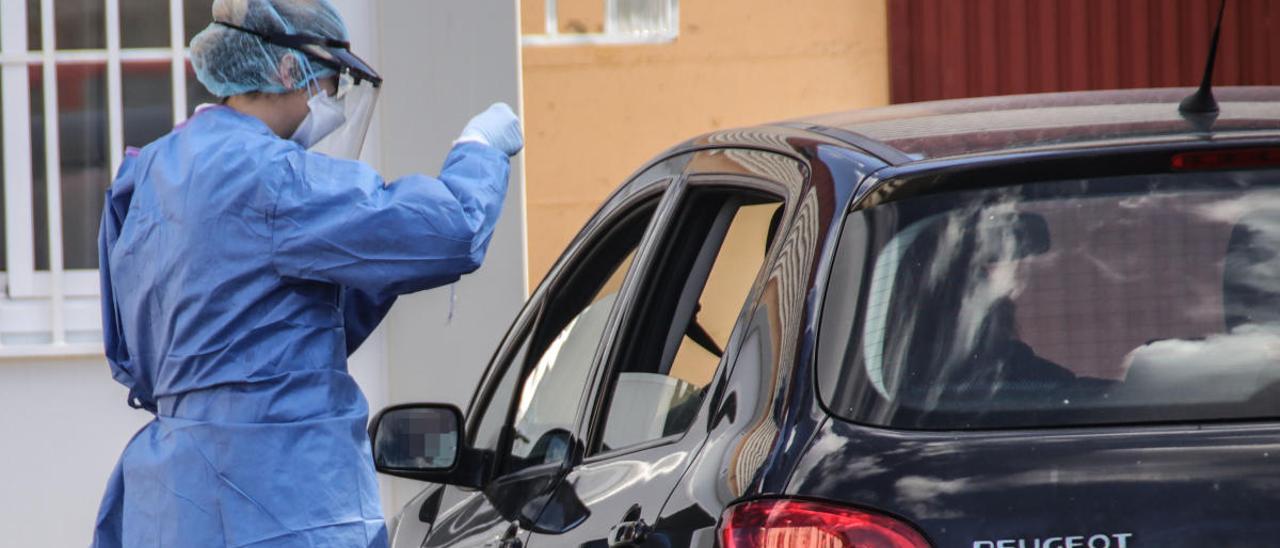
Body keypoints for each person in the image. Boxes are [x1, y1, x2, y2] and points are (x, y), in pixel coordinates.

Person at [91, 1, 522, 546]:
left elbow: (151, 350)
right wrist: (479, 151)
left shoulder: (147, 174)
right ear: (288, 70)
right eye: (332, 81)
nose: (335, 101)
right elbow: (452, 230)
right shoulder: (271, 176)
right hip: (280, 493)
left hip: (171, 499)